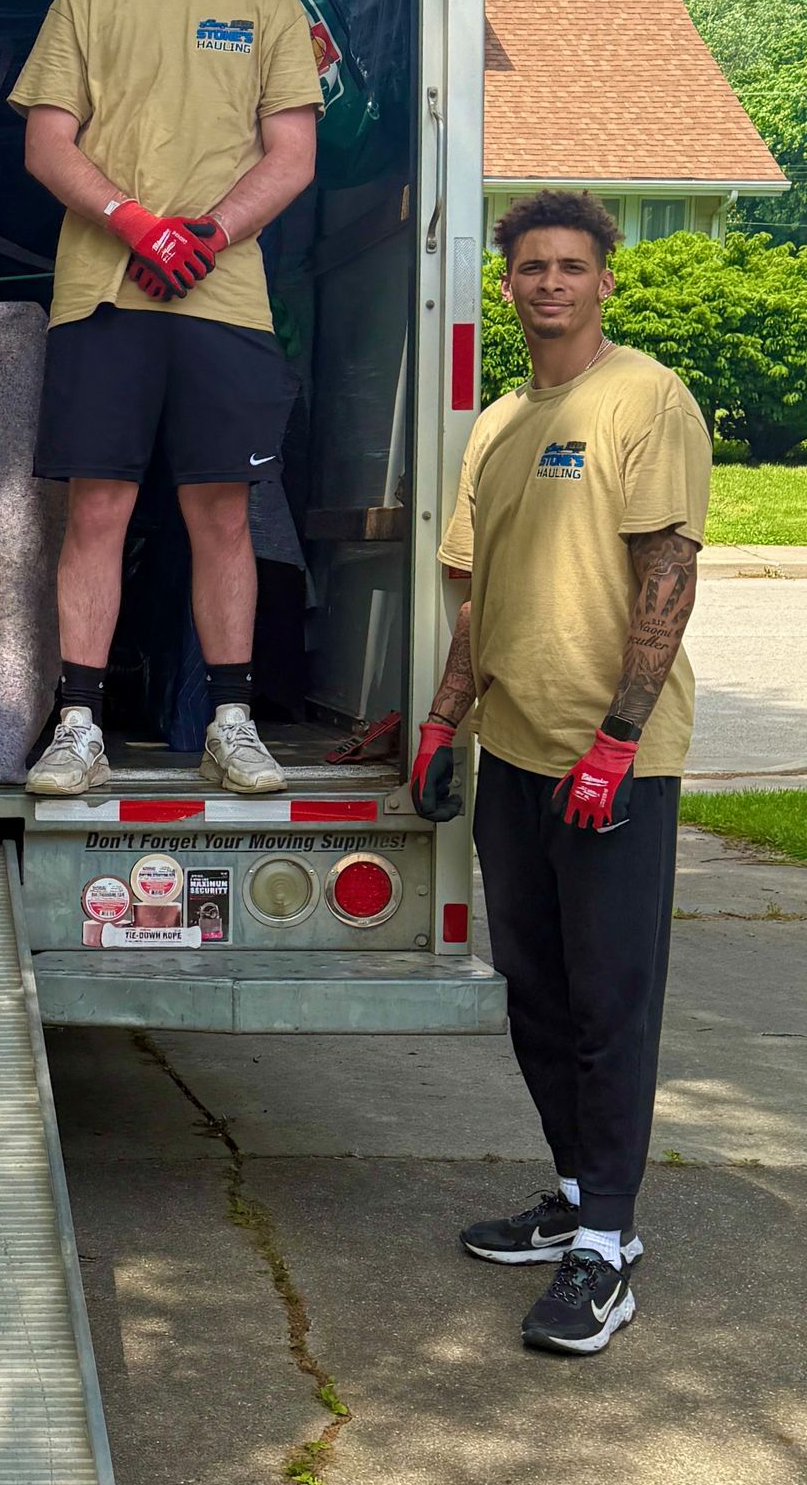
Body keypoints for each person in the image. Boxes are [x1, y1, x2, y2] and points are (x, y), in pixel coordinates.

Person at [413, 190, 708, 1355]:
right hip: (517, 754)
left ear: (605, 280)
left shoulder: (645, 398)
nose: (549, 283)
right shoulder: (495, 425)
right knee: (536, 996)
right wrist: (444, 722)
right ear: (508, 282)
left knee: (610, 1004)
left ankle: (609, 1251)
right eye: (530, 265)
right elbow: (479, 595)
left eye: (571, 266)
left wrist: (621, 741)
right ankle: (577, 1198)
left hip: (610, 764)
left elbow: (667, 577)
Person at [11, 0, 321, 797]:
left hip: (222, 303)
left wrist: (209, 233)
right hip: (105, 292)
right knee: (96, 510)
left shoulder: (269, 5)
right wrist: (134, 222)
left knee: (221, 513)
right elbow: (47, 142)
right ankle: (79, 724)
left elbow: (294, 155)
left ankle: (232, 722)